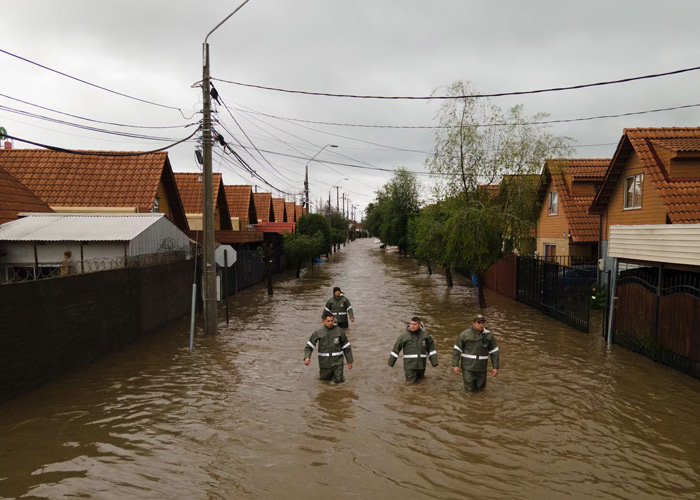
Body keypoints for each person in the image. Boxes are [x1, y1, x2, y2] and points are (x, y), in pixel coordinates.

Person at [452, 314, 499, 392]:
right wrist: (455, 365)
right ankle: (469, 402)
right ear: (473, 323)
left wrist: (495, 367)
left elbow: (494, 351)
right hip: (468, 367)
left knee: (481, 389)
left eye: (483, 322)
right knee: (469, 389)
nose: (481, 325)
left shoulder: (489, 336)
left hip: (482, 367)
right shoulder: (465, 335)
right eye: (479, 322)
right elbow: (457, 350)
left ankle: (479, 403)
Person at [304, 312, 354, 384]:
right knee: (324, 383)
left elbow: (346, 347)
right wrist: (307, 357)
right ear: (323, 321)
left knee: (339, 382)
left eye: (332, 320)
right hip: (324, 364)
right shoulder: (318, 333)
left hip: (338, 363)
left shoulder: (339, 331)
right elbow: (309, 346)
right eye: (328, 321)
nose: (330, 323)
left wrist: (349, 361)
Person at [388, 316, 438, 382]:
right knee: (410, 384)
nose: (412, 326)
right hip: (409, 366)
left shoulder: (425, 336)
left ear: (419, 325)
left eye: (414, 324)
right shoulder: (404, 336)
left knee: (421, 382)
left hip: (421, 365)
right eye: (411, 324)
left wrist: (434, 362)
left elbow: (431, 349)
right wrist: (391, 363)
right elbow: (396, 349)